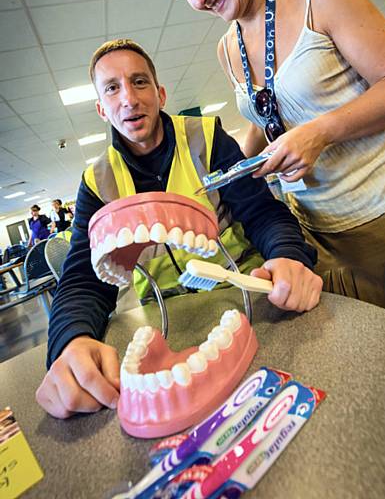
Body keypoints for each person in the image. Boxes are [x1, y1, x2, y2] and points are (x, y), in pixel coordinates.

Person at [155, 0, 385, 330]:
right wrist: (218, 182)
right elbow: (266, 121)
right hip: (319, 238)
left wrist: (319, 132)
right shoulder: (227, 49)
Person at [36, 38, 322, 419]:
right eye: (112, 88)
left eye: (139, 82)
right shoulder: (96, 181)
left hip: (249, 300)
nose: (129, 98)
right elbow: (84, 279)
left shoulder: (207, 137)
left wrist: (288, 255)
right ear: (101, 109)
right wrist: (70, 341)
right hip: (167, 326)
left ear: (160, 93)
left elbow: (262, 213)